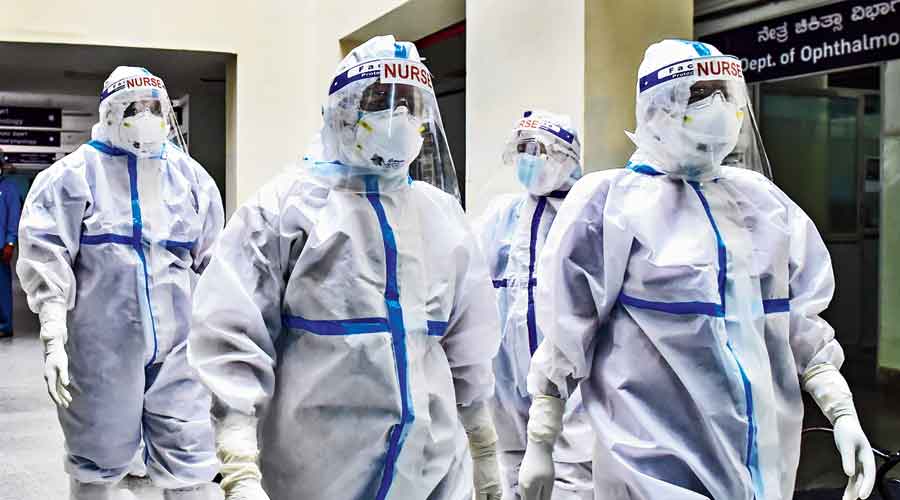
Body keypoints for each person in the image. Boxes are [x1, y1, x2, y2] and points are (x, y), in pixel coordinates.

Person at [517, 39, 876, 500]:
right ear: (655, 109)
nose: (720, 107)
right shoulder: (609, 205)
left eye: (727, 94)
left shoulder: (762, 204)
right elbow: (565, 339)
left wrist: (841, 411)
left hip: (765, 468)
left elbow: (801, 326)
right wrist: (541, 440)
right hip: (649, 469)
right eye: (701, 94)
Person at [187, 35, 502, 500]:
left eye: (411, 106)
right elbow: (232, 335)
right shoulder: (284, 209)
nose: (399, 117)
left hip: (432, 465)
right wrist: (239, 466)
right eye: (381, 102)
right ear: (343, 109)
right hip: (317, 469)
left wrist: (485, 447)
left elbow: (468, 344)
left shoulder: (441, 215)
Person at [17, 66, 224, 500]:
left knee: (190, 462)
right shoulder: (71, 177)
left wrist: (224, 336)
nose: (146, 116)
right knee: (97, 463)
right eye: (134, 108)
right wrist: (53, 332)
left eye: (154, 108)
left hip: (180, 352)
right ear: (110, 113)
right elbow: (47, 255)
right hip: (102, 352)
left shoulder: (190, 179)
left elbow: (214, 264)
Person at [476, 110, 593, 499]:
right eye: (521, 149)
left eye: (537, 149)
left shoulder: (587, 215)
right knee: (512, 480)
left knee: (573, 485)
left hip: (575, 405)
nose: (528, 158)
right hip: (505, 401)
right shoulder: (501, 216)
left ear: (566, 156)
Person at [0, 150, 21, 338]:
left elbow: (14, 217)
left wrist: (10, 242)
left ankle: (5, 325)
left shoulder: (9, 189)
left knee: (2, 287)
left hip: (1, 247)